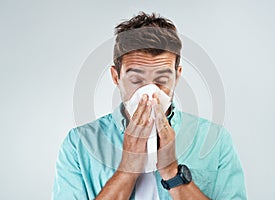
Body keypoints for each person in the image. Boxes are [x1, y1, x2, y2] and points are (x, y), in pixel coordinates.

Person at [52, 12, 247, 200]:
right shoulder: (79, 144)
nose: (150, 92)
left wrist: (172, 172)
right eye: (136, 80)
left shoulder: (215, 140)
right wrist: (128, 168)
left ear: (177, 76)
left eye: (162, 79)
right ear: (116, 77)